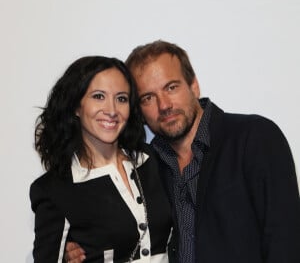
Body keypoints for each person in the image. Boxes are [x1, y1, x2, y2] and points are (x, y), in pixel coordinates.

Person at [65, 41, 300, 263]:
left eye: (171, 87)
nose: (164, 105)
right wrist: (75, 248)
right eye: (148, 97)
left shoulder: (254, 138)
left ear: (194, 85)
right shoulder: (143, 165)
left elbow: (286, 240)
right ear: (138, 110)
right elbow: (118, 231)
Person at [30, 56, 173, 263]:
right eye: (98, 96)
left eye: (121, 98)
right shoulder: (55, 189)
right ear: (75, 106)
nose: (112, 110)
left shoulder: (155, 160)